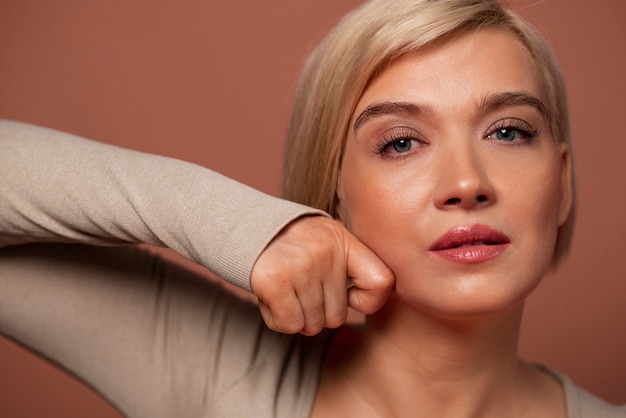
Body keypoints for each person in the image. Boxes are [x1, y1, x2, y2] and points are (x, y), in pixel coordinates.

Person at [0, 1, 624, 417]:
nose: (466, 182)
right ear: (332, 197)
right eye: (400, 142)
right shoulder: (218, 375)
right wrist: (254, 229)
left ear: (562, 184)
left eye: (509, 132)